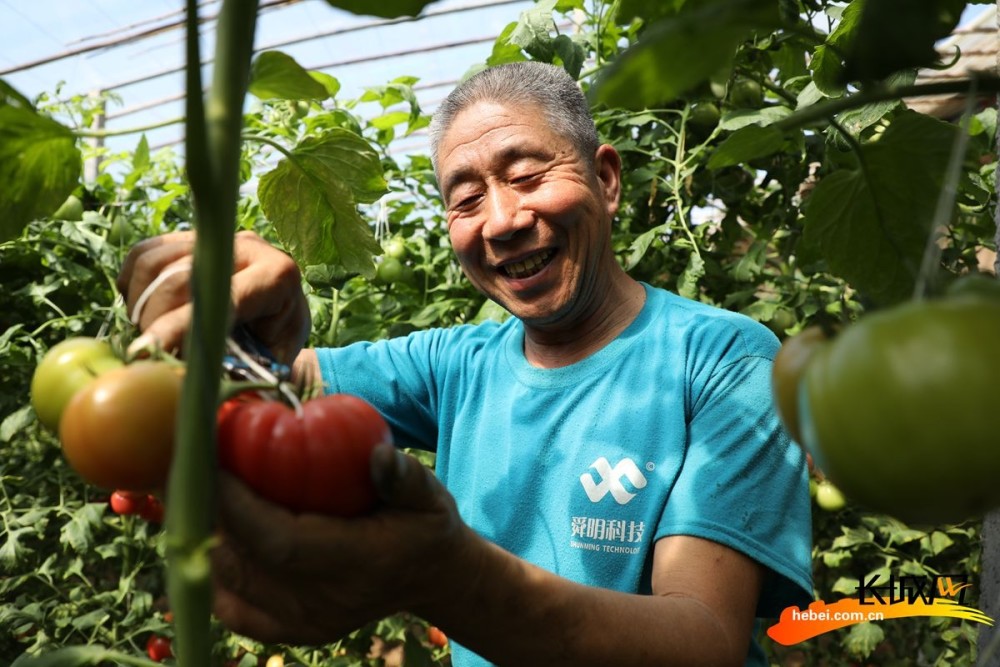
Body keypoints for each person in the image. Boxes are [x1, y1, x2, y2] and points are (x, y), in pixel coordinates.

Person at [118, 61, 813, 666]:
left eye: (528, 175)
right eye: (467, 199)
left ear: (605, 179)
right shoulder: (454, 363)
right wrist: (254, 332)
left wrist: (449, 577)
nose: (503, 219)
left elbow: (705, 638)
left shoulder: (726, 356)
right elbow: (270, 390)